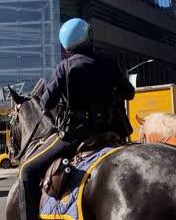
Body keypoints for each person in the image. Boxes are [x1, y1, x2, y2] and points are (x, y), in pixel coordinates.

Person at [18, 18, 135, 220]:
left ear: (67, 45)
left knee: (27, 170)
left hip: (77, 134)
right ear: (89, 37)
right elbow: (129, 93)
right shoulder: (109, 61)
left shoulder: (64, 67)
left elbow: (46, 104)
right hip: (111, 131)